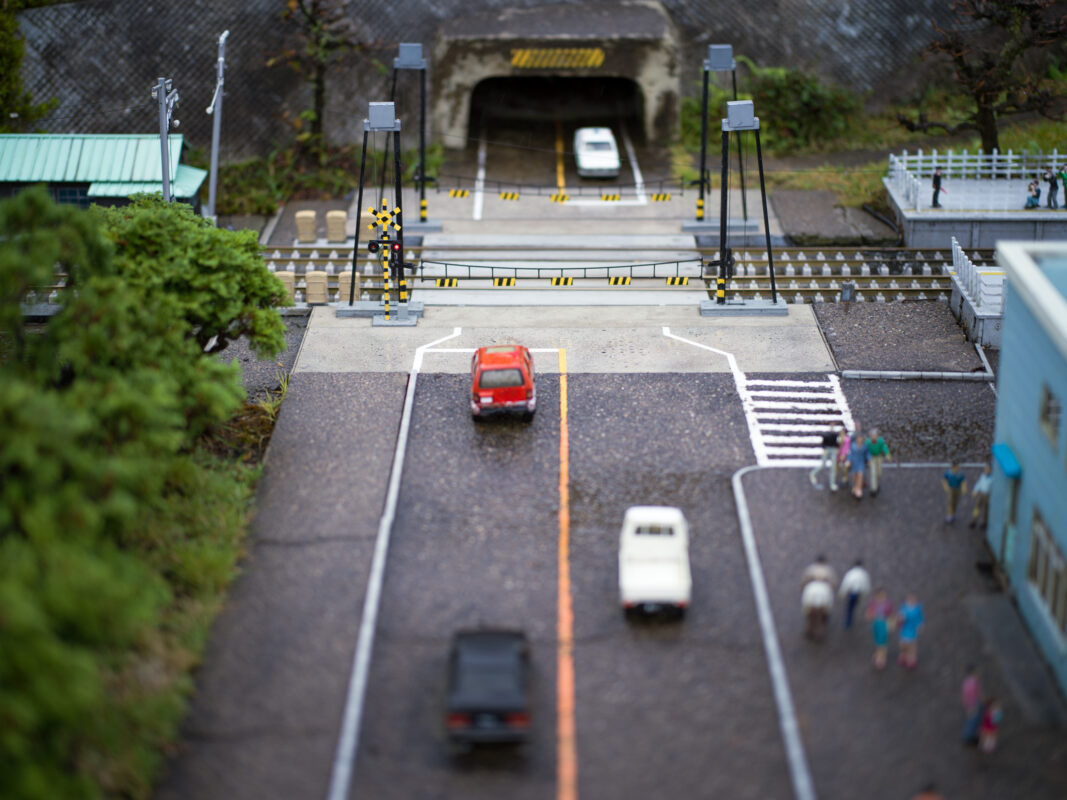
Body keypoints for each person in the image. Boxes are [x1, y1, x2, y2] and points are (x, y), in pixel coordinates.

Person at [801, 556, 838, 642]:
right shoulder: (828, 570)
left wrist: (802, 587)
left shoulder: (811, 569)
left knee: (810, 617)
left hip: (811, 598)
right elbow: (833, 582)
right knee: (821, 620)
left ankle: (809, 631)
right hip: (823, 600)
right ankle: (819, 634)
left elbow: (805, 579)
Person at [865, 587, 894, 670]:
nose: (881, 597)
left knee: (882, 641)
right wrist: (869, 615)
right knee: (878, 640)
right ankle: (878, 653)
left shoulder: (887, 604)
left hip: (883, 623)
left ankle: (881, 658)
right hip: (876, 623)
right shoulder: (873, 603)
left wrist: (891, 624)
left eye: (883, 595)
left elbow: (891, 615)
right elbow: (868, 613)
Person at [838, 559, 871, 630]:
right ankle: (849, 619)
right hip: (859, 593)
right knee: (853, 606)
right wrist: (865, 594)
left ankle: (848, 621)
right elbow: (866, 585)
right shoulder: (864, 574)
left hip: (851, 592)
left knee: (849, 607)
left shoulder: (851, 573)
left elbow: (846, 583)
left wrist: (842, 592)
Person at [897, 593, 925, 669]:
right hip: (904, 629)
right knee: (903, 644)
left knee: (912, 645)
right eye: (909, 600)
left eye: (913, 600)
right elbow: (900, 617)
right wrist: (899, 619)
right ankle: (903, 654)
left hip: (912, 629)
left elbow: (920, 618)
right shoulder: (904, 608)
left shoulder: (917, 609)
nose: (911, 602)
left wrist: (920, 625)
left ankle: (911, 657)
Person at [866, 429, 891, 497]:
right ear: (870, 437)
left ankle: (877, 483)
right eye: (872, 436)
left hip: (879, 457)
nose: (874, 437)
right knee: (873, 473)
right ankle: (873, 489)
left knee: (879, 473)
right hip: (872, 458)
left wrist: (887, 454)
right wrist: (867, 459)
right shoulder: (867, 442)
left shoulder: (880, 441)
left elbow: (884, 447)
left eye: (875, 436)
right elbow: (866, 451)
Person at [961, 665, 982, 745]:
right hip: (974, 705)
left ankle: (968, 736)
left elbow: (964, 696)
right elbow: (976, 695)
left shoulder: (966, 682)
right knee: (973, 721)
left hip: (970, 705)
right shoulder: (974, 683)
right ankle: (969, 737)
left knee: (970, 721)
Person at [970, 462, 993, 529]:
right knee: (977, 508)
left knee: (986, 510)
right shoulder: (983, 476)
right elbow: (979, 484)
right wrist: (975, 491)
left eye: (988, 469)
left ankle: (984, 523)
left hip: (987, 495)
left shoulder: (992, 478)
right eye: (985, 468)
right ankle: (973, 521)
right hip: (981, 493)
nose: (986, 470)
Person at [848, 432, 869, 500]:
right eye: (859, 438)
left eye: (861, 438)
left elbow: (867, 454)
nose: (860, 440)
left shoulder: (864, 446)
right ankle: (854, 487)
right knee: (854, 476)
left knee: (860, 475)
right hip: (854, 463)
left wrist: (869, 460)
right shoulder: (853, 446)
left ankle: (859, 489)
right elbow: (850, 454)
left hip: (861, 463)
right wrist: (849, 461)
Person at [833, 427, 853, 494]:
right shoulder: (838, 438)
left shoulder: (847, 439)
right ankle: (834, 479)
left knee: (844, 469)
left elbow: (846, 448)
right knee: (836, 468)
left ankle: (845, 479)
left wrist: (844, 454)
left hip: (843, 456)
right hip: (838, 455)